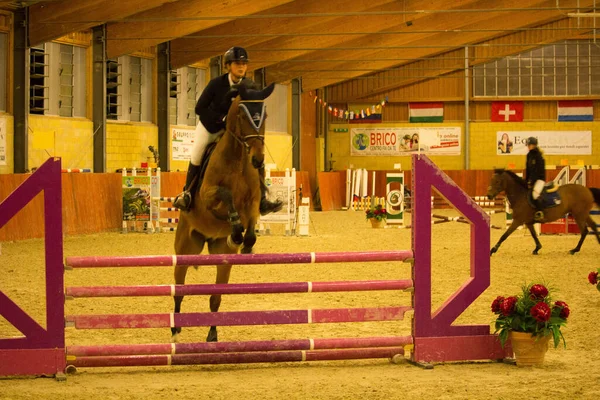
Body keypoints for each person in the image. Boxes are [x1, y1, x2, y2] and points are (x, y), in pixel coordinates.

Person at [173, 47, 283, 214]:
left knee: (257, 156)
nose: (241, 67)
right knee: (197, 153)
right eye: (237, 63)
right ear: (228, 66)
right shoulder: (216, 84)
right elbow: (199, 108)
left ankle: (262, 200)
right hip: (211, 127)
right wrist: (218, 120)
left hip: (236, 133)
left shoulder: (250, 86)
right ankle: (187, 193)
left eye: (244, 64)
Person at [525, 136, 546, 221]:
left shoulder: (538, 156)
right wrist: (526, 181)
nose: (528, 146)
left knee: (535, 194)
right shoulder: (529, 155)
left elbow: (539, 170)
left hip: (539, 179)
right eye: (528, 145)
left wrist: (533, 181)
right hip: (531, 180)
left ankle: (540, 212)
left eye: (529, 145)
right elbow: (528, 170)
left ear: (534, 145)